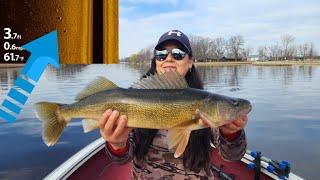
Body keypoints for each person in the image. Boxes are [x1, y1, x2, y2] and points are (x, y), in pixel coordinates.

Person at [99, 30, 248, 179]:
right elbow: (122, 159)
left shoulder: (207, 103)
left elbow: (233, 156)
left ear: (190, 61)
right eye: (161, 54)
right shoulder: (133, 100)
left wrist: (231, 134)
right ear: (156, 61)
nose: (168, 58)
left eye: (178, 53)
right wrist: (117, 145)